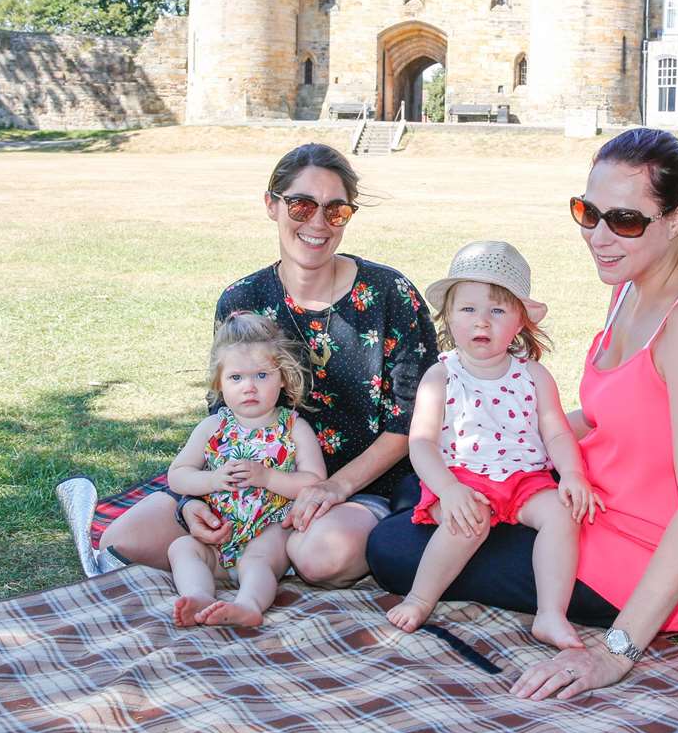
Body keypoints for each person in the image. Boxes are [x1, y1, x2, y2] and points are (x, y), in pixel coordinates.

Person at [367, 127, 678, 700]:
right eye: (588, 212)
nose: (600, 236)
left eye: (625, 220)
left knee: (392, 547)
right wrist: (494, 439)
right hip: (593, 505)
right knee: (427, 488)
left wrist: (615, 653)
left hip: (641, 564)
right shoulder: (634, 280)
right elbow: (611, 417)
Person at [95, 143, 438, 586]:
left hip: (358, 486)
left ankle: (259, 558)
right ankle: (252, 556)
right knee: (123, 540)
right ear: (271, 205)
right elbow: (223, 411)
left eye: (335, 211)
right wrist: (192, 502)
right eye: (301, 205)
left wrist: (333, 487)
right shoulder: (243, 300)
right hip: (245, 485)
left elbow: (411, 421)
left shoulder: (390, 293)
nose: (317, 223)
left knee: (321, 558)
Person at [384, 241, 599, 650]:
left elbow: (555, 431)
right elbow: (423, 443)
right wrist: (448, 489)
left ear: (520, 321)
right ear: (448, 315)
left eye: (498, 310)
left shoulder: (533, 375)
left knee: (561, 514)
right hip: (462, 477)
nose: (482, 321)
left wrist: (572, 474)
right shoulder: (441, 376)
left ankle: (551, 614)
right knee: (469, 520)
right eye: (468, 309)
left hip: (525, 479)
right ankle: (420, 597)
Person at [166, 312, 326, 627]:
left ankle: (249, 605)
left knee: (258, 560)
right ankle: (199, 595)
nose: (249, 387)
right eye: (236, 378)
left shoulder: (293, 427)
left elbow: (315, 481)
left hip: (271, 529)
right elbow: (178, 474)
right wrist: (211, 479)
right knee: (182, 547)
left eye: (262, 376)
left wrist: (268, 477)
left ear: (283, 377)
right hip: (219, 533)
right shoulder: (213, 426)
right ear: (219, 383)